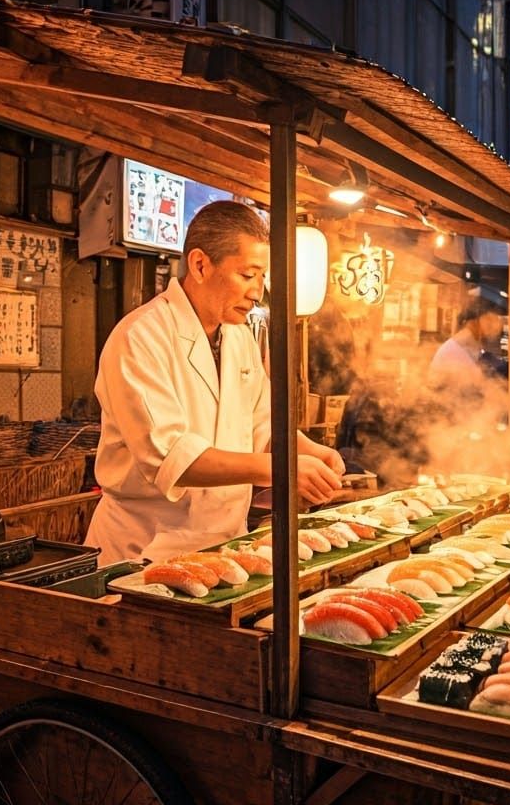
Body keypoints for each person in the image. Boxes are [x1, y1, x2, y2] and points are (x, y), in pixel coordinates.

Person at [85, 200, 345, 563]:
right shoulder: (139, 337)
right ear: (200, 264)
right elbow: (172, 459)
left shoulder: (239, 337)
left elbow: (261, 427)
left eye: (262, 277)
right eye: (247, 274)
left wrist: (306, 450)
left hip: (226, 546)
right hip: (146, 550)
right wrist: (283, 468)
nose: (257, 291)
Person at [429, 295, 506, 386]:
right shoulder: (456, 349)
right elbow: (480, 386)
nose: (496, 325)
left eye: (497, 319)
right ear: (474, 321)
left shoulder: (470, 345)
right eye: (489, 319)